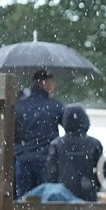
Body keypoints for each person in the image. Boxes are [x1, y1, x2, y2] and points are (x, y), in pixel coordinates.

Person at [14, 69, 65, 198]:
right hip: (47, 160)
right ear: (47, 85)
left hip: (23, 160)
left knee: (24, 202)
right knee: (46, 200)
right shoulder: (55, 106)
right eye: (52, 84)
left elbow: (12, 134)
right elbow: (71, 125)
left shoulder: (19, 106)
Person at [46, 104, 104, 201]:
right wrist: (94, 186)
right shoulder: (94, 144)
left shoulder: (57, 144)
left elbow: (51, 172)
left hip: (62, 199)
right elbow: (102, 170)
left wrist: (56, 188)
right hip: (87, 197)